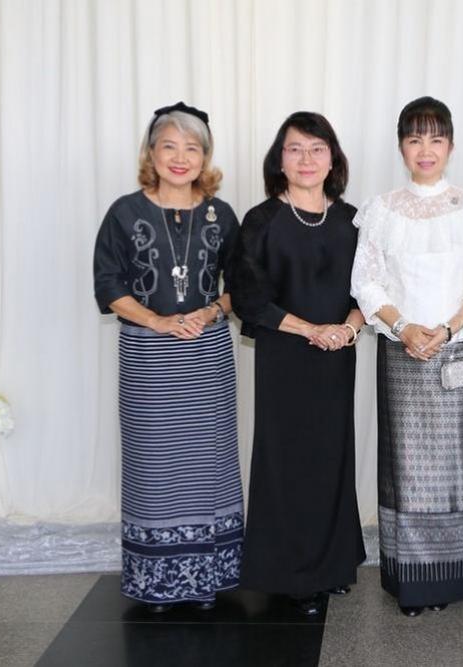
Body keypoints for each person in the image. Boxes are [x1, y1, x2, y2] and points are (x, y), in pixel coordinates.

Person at [350, 96, 463, 617]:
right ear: (401, 147)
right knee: (406, 468)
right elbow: (365, 283)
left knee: (457, 465)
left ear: (451, 146)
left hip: (456, 348)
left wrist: (445, 329)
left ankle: (453, 577)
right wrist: (403, 327)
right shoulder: (381, 209)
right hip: (402, 352)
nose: (425, 149)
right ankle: (412, 581)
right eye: (415, 138)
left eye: (435, 139)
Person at [92, 101, 243, 612]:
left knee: (208, 463)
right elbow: (108, 284)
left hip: (207, 355)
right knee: (155, 465)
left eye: (191, 148)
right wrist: (157, 321)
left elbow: (242, 287)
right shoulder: (125, 213)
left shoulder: (222, 215)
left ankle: (207, 576)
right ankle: (157, 582)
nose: (180, 158)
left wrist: (211, 311)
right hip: (148, 357)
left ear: (205, 157)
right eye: (169, 147)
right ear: (151, 153)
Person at [232, 112, 365, 617]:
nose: (306, 159)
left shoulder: (354, 220)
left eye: (316, 148)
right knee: (287, 461)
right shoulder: (261, 220)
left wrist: (347, 329)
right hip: (285, 356)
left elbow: (371, 291)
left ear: (332, 159)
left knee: (332, 458)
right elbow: (249, 297)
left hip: (337, 355)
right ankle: (291, 574)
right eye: (295, 149)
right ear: (279, 160)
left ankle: (333, 565)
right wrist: (311, 330)